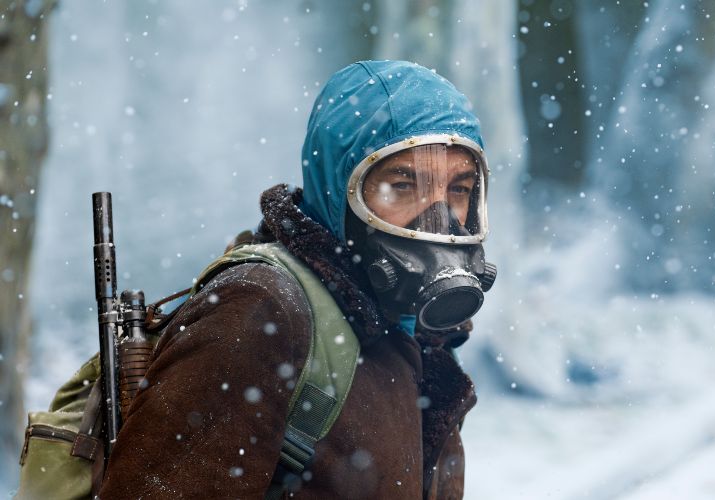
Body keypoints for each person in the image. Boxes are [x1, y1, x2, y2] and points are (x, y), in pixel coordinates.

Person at [98, 60, 495, 499]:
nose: (439, 222)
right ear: (338, 189)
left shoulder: (410, 332)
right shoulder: (258, 310)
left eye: (458, 189)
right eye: (403, 186)